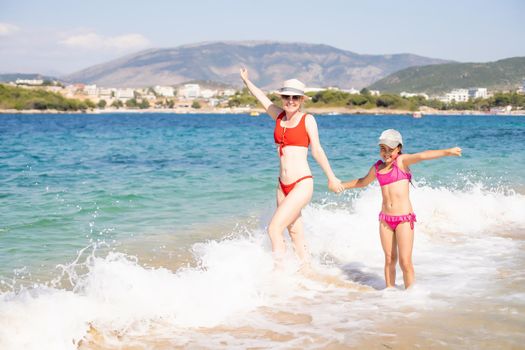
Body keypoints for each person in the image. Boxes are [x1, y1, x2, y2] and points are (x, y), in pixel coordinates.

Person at [240, 68, 344, 262]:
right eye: (287, 96)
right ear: (282, 98)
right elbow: (262, 98)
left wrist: (331, 177)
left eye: (295, 97)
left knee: (273, 228)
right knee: (295, 232)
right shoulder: (278, 116)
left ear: (302, 100)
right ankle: (306, 270)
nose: (290, 101)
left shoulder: (307, 120)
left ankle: (279, 275)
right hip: (282, 186)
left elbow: (317, 150)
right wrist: (247, 81)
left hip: (302, 183)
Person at [336, 129, 461, 289]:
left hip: (403, 219)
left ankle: (410, 295)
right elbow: (362, 182)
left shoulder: (401, 162)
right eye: (383, 149)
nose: (386, 153)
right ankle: (390, 293)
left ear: (399, 148)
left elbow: (422, 155)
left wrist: (447, 152)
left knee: (405, 261)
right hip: (385, 220)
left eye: (391, 149)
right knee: (389, 259)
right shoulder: (377, 168)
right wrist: (342, 186)